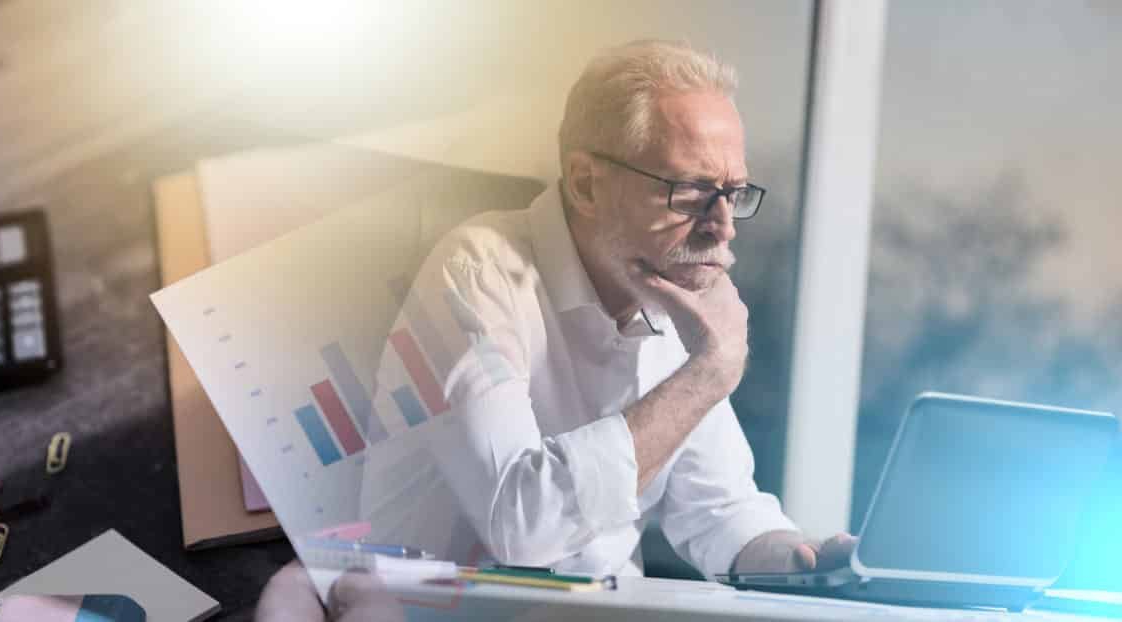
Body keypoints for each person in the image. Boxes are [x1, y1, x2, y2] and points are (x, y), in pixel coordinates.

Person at [257, 39, 854, 619]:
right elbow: (521, 525)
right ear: (586, 183)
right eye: (692, 191)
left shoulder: (671, 293)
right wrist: (708, 374)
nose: (723, 226)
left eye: (733, 193)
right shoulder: (477, 272)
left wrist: (800, 560)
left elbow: (719, 511)